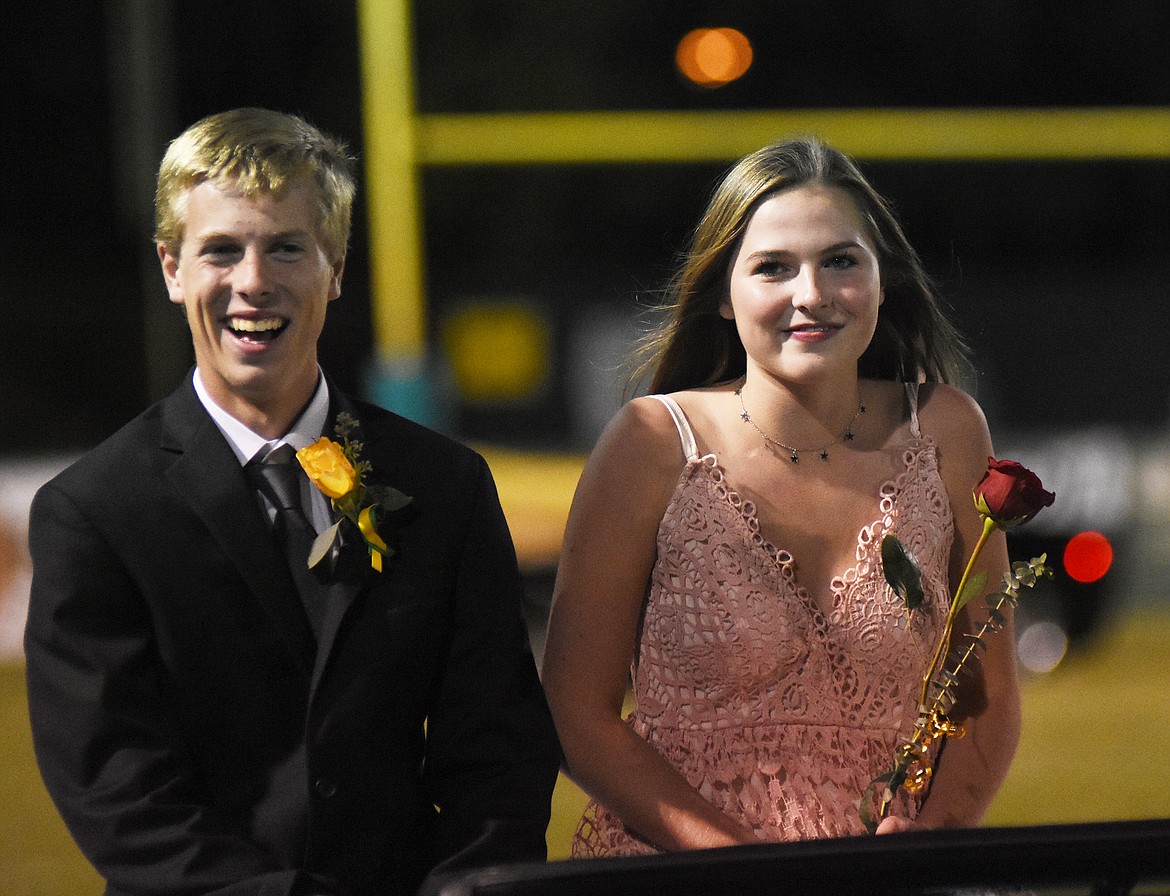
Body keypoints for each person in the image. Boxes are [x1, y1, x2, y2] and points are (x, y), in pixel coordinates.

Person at [25, 107, 560, 896]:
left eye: (285, 247)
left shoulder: (446, 485)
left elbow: (498, 747)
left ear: (335, 266)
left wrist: (467, 887)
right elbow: (116, 787)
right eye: (220, 251)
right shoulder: (95, 512)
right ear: (172, 269)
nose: (252, 281)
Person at [541, 137, 1021, 855]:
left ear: (882, 281)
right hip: (682, 872)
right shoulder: (650, 442)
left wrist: (926, 840)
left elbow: (988, 699)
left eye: (840, 261)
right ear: (724, 299)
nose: (812, 294)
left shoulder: (948, 430)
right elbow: (575, 712)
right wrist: (738, 866)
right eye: (773, 268)